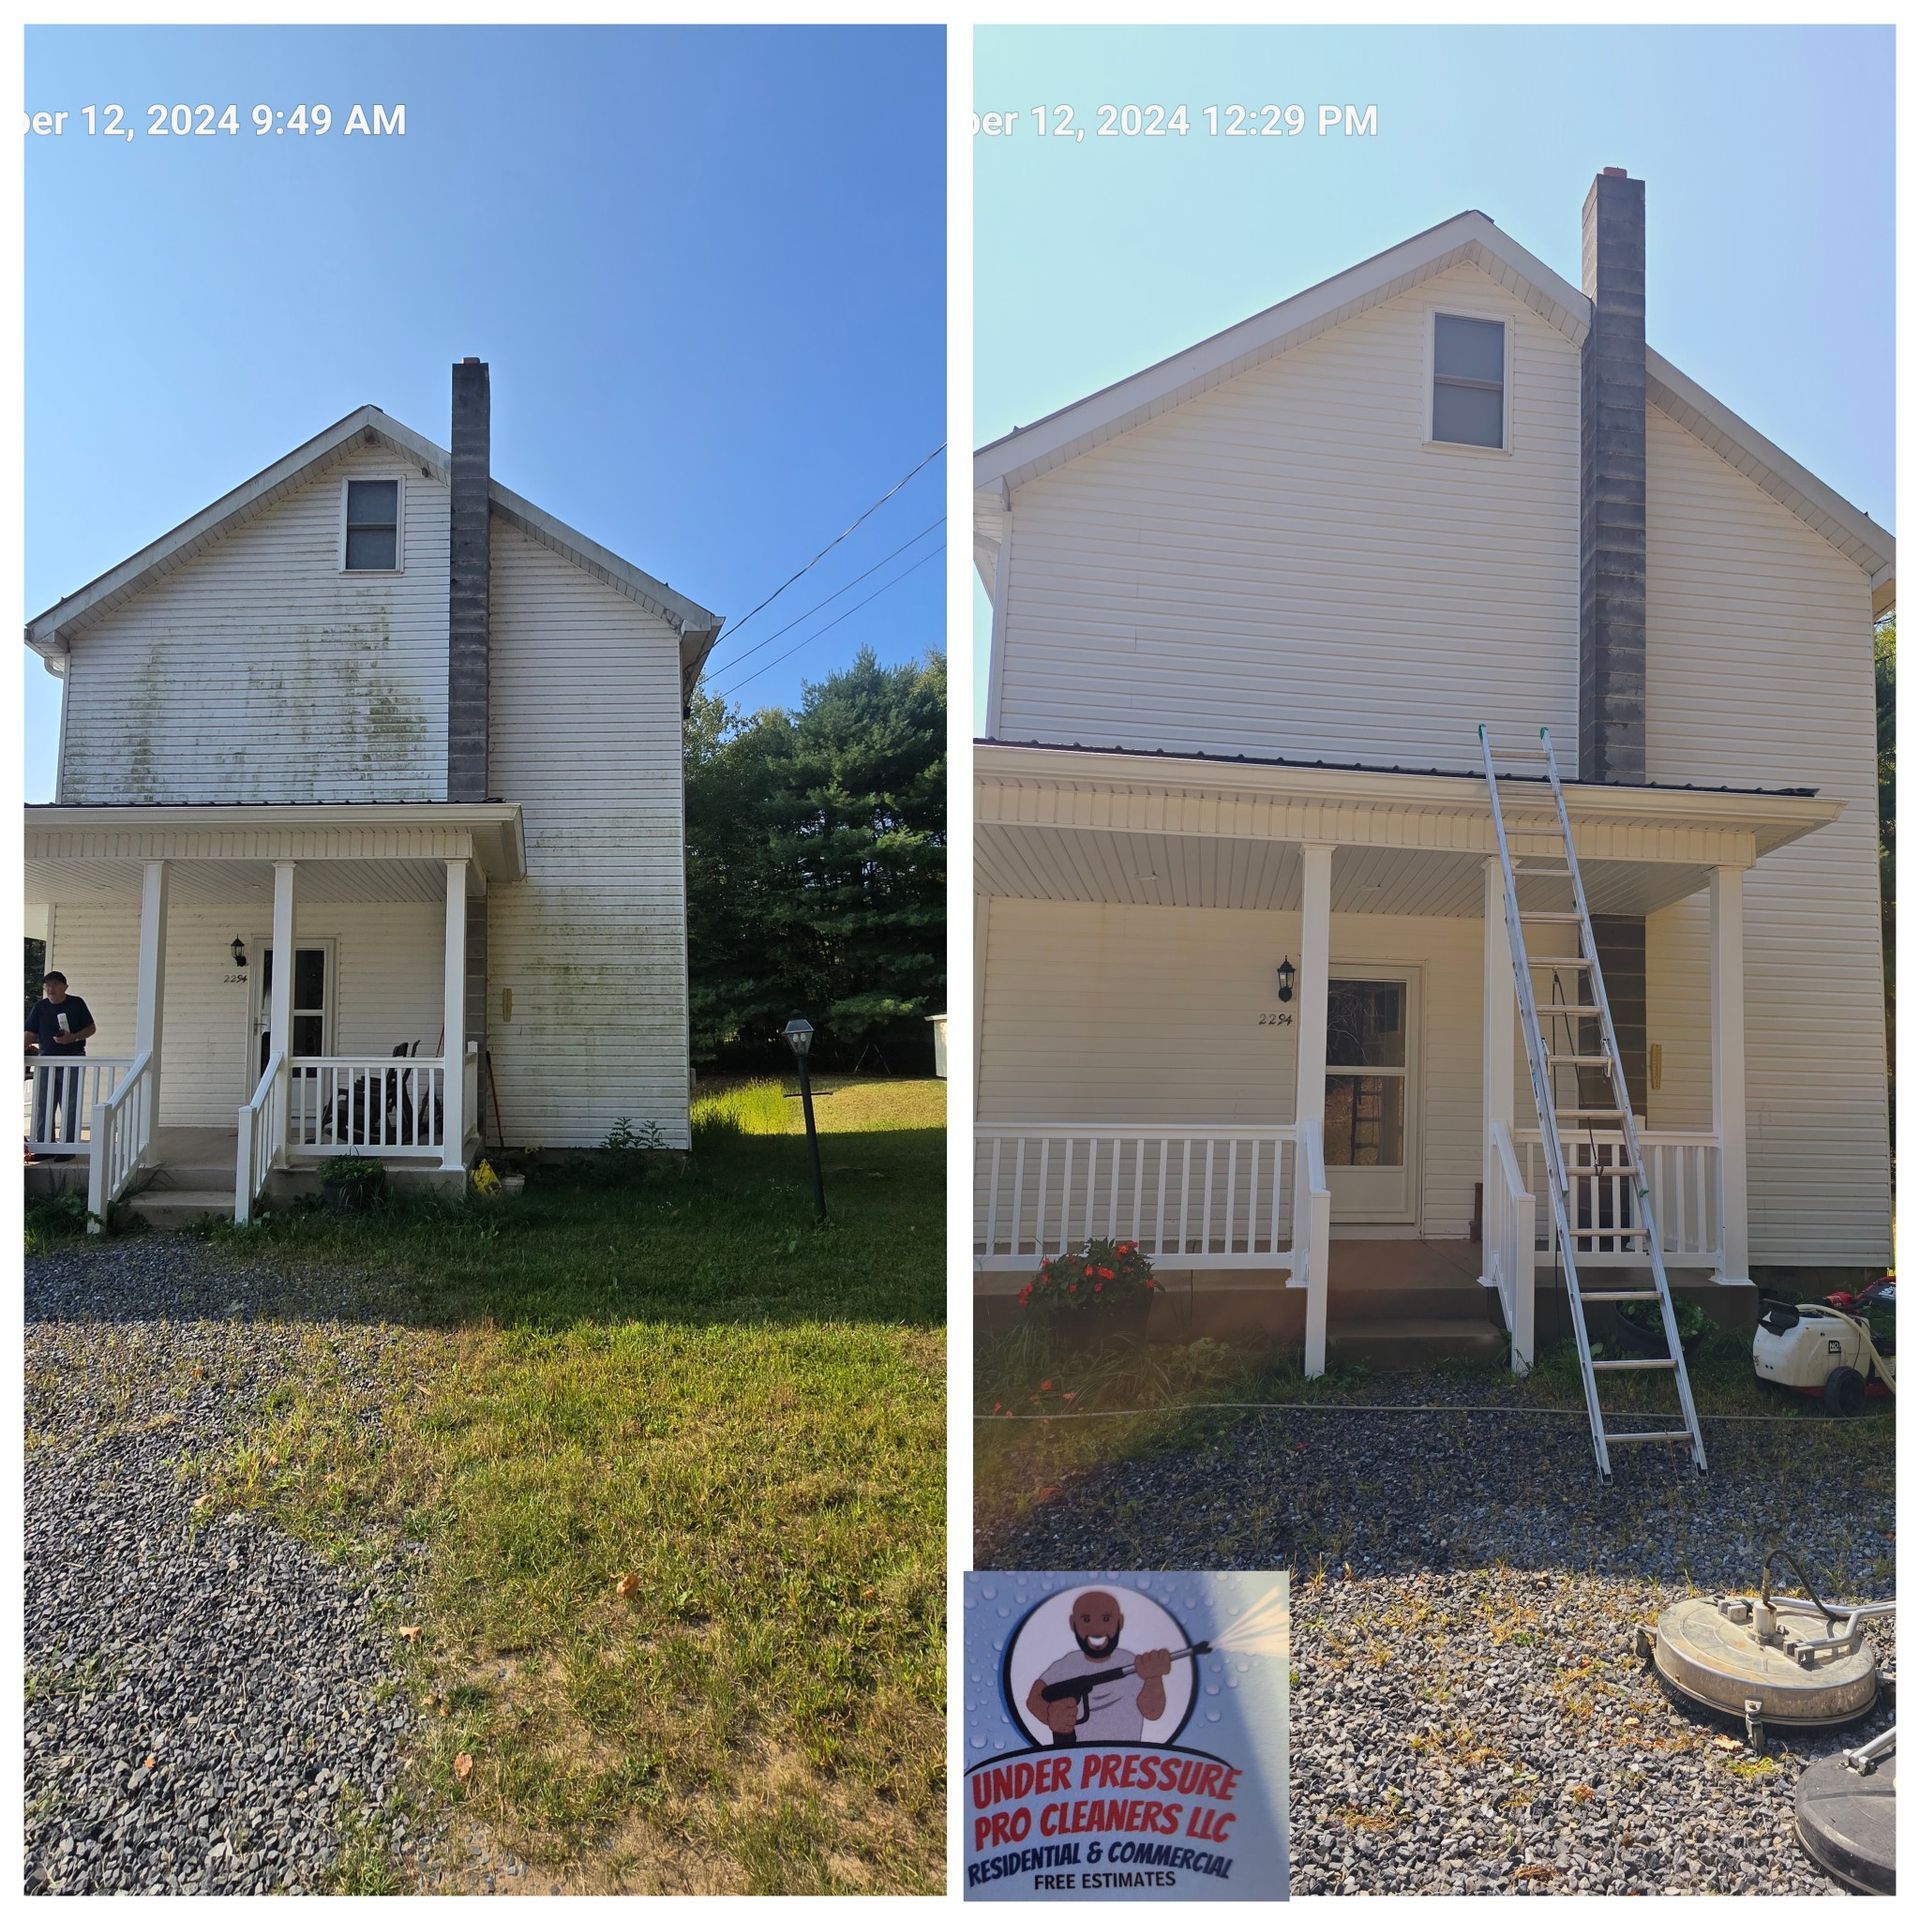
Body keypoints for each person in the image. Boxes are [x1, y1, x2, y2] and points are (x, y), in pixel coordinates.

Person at [1028, 1588, 1174, 1745]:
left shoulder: (1133, 1663)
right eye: (1086, 1619)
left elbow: (1152, 1713)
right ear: (1073, 1623)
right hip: (1075, 1759)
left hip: (1126, 1760)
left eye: (1106, 1619)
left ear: (1120, 1622)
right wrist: (1051, 1716)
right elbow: (1034, 1699)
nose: (1096, 1629)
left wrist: (1153, 1679)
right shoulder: (1067, 1664)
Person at [24, 972, 97, 1158]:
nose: (51, 989)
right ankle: (44, 1146)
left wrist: (73, 1037)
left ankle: (68, 1146)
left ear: (65, 986)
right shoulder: (40, 1007)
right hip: (46, 1059)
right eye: (47, 985)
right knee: (43, 1103)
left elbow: (91, 1028)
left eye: (55, 985)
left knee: (70, 1103)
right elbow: (31, 1033)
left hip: (73, 1058)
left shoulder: (76, 1003)